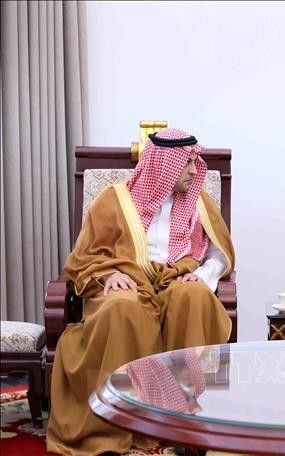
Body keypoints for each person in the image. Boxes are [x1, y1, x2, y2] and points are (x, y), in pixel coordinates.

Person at [46, 128, 236, 456]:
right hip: (128, 282)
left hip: (176, 280)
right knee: (123, 309)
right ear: (164, 164)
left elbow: (219, 255)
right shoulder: (113, 200)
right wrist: (109, 274)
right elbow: (84, 257)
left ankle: (187, 425)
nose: (195, 171)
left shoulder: (200, 203)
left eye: (196, 162)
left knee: (195, 298)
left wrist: (202, 276)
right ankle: (113, 425)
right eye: (188, 162)